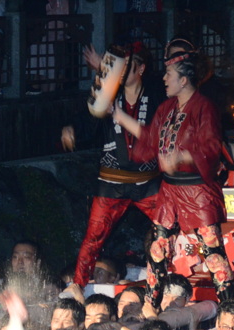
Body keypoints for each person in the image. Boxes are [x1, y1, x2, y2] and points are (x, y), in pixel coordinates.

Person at [113, 41, 234, 306]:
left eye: (169, 75)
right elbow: (149, 140)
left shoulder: (204, 107)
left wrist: (180, 156)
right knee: (157, 250)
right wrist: (122, 118)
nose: (164, 79)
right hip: (170, 190)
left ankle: (229, 309)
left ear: (183, 80)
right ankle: (151, 306)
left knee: (213, 255)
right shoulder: (166, 109)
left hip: (197, 190)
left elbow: (211, 147)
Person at [64, 42, 163, 287]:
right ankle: (78, 287)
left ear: (141, 69)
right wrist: (73, 129)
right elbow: (89, 121)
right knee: (93, 237)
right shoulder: (108, 92)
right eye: (120, 67)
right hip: (112, 180)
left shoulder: (156, 94)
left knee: (169, 231)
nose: (121, 71)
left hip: (148, 180)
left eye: (128, 67)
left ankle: (171, 281)